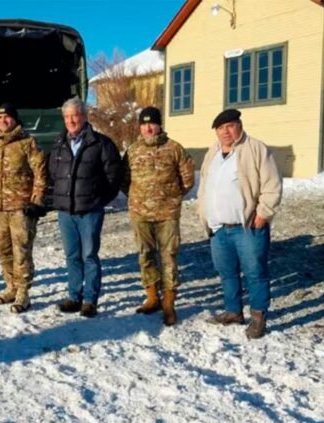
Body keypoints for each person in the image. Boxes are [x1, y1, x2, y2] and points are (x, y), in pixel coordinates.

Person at [198, 109, 282, 339]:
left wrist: (263, 214)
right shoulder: (212, 152)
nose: (225, 132)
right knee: (226, 272)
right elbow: (205, 184)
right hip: (218, 228)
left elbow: (272, 185)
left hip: (247, 227)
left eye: (230, 126)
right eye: (220, 128)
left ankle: (258, 317)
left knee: (255, 272)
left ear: (239, 126)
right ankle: (233, 311)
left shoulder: (255, 149)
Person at [121, 107, 194, 326]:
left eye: (152, 123)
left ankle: (169, 302)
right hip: (140, 213)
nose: (148, 128)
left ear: (159, 124)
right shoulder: (132, 151)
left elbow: (188, 178)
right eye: (144, 124)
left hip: (167, 213)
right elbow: (124, 181)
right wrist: (138, 197)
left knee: (169, 256)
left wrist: (171, 197)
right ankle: (152, 296)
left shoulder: (174, 149)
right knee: (145, 254)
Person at [49, 97, 122, 318]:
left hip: (90, 211)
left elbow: (114, 176)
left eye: (75, 115)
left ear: (84, 116)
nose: (71, 120)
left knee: (89, 255)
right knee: (72, 255)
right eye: (67, 116)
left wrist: (99, 199)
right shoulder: (59, 144)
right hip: (66, 212)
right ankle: (74, 296)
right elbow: (53, 173)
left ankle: (90, 300)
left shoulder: (101, 143)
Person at [0, 103, 47, 314]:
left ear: (15, 120)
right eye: (0, 118)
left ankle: (23, 293)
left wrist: (36, 201)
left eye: (7, 117)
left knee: (22, 251)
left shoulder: (27, 143)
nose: (3, 121)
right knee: (4, 250)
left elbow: (40, 173)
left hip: (21, 208)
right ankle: (10, 286)